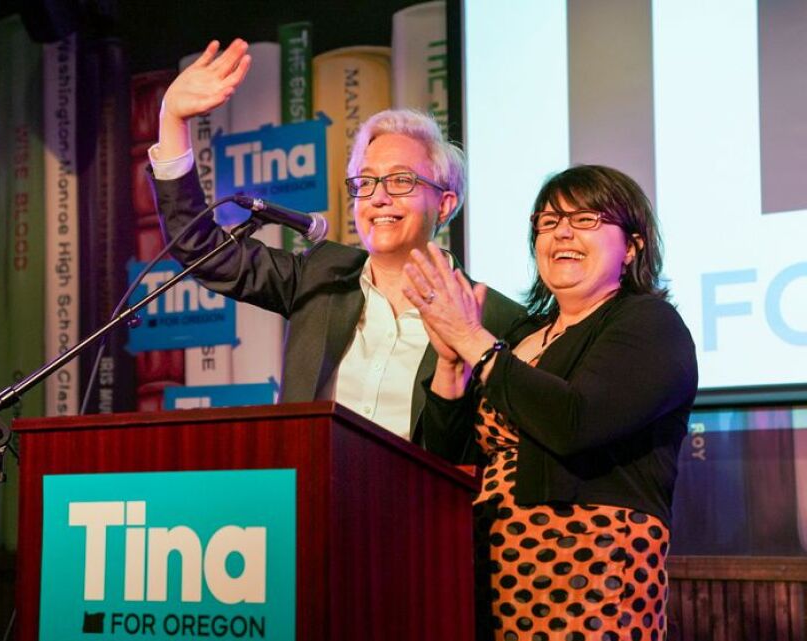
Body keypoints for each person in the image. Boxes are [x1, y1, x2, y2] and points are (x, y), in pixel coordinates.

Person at [147, 39, 523, 441]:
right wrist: (173, 121)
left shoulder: (497, 320)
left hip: (419, 502)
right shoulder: (320, 277)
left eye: (400, 180)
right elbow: (202, 251)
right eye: (366, 181)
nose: (378, 196)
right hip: (308, 495)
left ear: (445, 204)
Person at [403, 165, 698, 640]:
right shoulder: (519, 336)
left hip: (589, 573)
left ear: (632, 246)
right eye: (548, 221)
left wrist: (473, 339)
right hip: (487, 567)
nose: (561, 231)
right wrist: (450, 364)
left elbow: (574, 422)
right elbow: (447, 463)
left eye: (585, 219)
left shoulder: (650, 325)